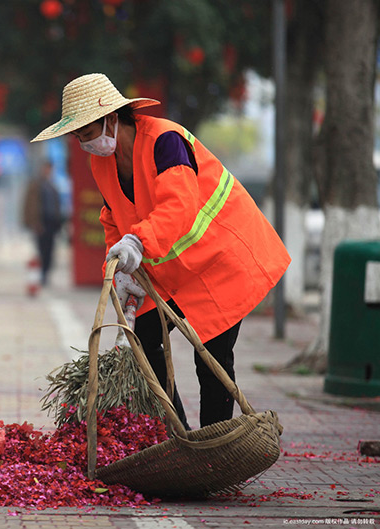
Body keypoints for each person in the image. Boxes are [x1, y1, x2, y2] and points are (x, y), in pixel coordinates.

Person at [32, 73, 290, 429]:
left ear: (111, 118)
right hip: (172, 273)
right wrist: (122, 266)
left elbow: (178, 206)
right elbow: (112, 217)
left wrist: (138, 242)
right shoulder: (101, 162)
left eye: (86, 133)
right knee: (143, 345)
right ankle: (178, 434)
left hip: (221, 262)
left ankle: (214, 447)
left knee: (213, 359)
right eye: (77, 137)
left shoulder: (165, 140)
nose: (83, 143)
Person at [22, 160, 64, 286]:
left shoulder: (52, 186)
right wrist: (32, 222)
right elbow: (28, 205)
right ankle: (40, 274)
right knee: (41, 249)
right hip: (40, 222)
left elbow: (57, 205)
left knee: (50, 250)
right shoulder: (35, 186)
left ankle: (45, 273)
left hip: (52, 223)